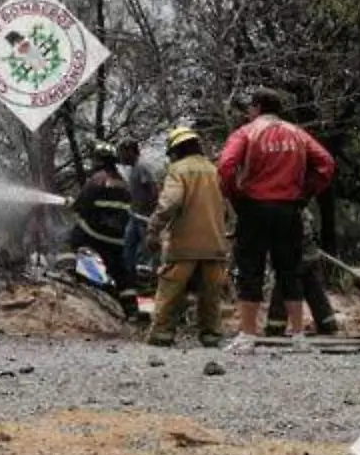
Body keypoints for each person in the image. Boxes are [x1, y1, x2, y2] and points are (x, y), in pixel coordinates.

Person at [216, 88, 336, 353]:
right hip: (289, 209)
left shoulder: (246, 132)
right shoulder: (297, 133)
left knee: (251, 270)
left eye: (250, 107)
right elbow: (326, 164)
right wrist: (305, 192)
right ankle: (298, 336)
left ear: (257, 108)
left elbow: (225, 166)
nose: (248, 112)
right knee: (290, 271)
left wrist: (236, 194)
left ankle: (248, 336)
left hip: (254, 208)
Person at [143, 126, 230, 347]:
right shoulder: (214, 170)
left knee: (170, 290)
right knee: (210, 295)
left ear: (177, 149)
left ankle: (161, 335)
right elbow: (227, 207)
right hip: (214, 244)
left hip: (184, 244)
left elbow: (170, 202)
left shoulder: (178, 170)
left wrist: (154, 228)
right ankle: (211, 336)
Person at [57, 140, 138, 317]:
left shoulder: (96, 179)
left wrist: (72, 204)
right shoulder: (123, 183)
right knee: (120, 271)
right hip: (117, 238)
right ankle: (131, 309)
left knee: (68, 241)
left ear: (99, 160)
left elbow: (82, 206)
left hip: (94, 233)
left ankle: (67, 275)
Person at [264, 207, 340, 336]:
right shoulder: (299, 206)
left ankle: (275, 327)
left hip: (296, 257)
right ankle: (327, 325)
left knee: (284, 289)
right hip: (307, 257)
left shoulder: (290, 207)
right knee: (314, 290)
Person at [119, 140, 158, 274]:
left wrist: (150, 213)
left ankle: (146, 280)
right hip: (135, 216)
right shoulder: (134, 169)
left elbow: (153, 189)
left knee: (146, 251)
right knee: (128, 249)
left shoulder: (142, 167)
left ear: (130, 152)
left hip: (144, 218)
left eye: (122, 152)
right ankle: (130, 278)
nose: (120, 156)